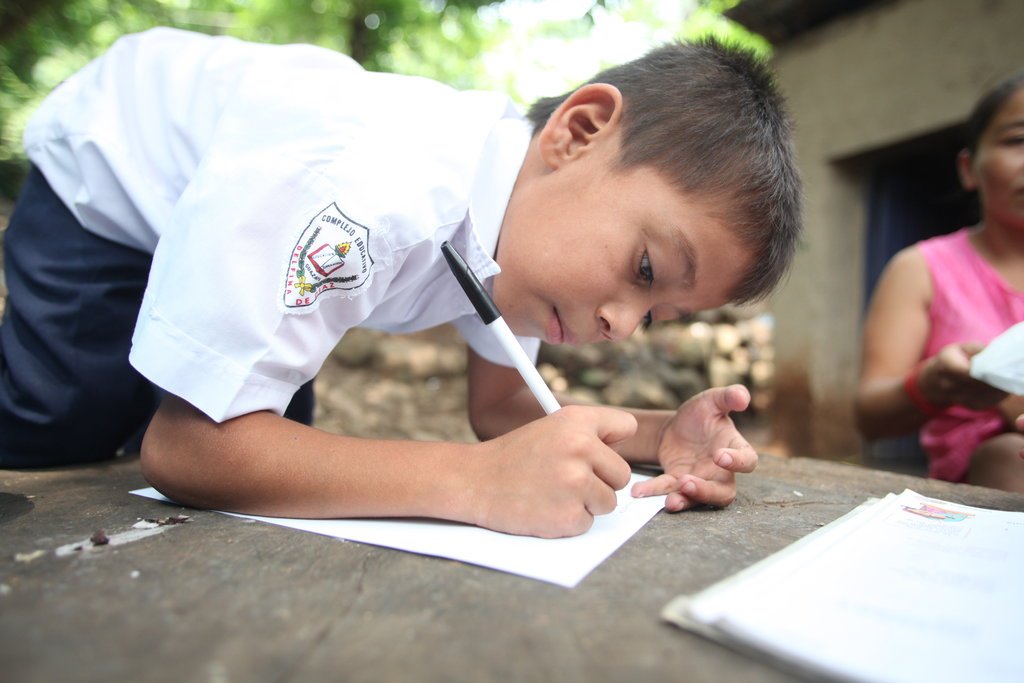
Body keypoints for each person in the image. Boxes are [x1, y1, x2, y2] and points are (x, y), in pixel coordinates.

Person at [0, 28, 801, 537]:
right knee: (65, 420)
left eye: (657, 313)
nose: (623, 325)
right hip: (115, 181)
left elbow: (503, 408)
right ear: (580, 131)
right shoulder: (370, 183)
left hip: (246, 229)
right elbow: (185, 448)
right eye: (646, 270)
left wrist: (656, 435)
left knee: (284, 450)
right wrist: (475, 484)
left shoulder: (529, 236)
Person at [855, 71, 1024, 492]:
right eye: (1018, 140)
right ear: (969, 169)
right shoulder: (922, 269)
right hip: (986, 487)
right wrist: (930, 384)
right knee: (1005, 455)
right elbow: (870, 415)